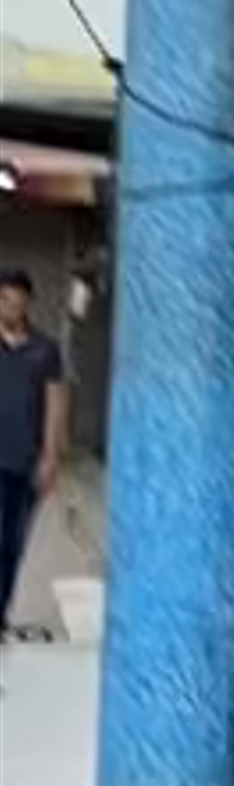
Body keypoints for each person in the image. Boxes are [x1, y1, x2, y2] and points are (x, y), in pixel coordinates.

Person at [0, 267, 70, 632]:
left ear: (28, 303)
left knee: (12, 542)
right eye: (5, 299)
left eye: (18, 300)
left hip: (23, 459)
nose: (11, 307)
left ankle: (1, 608)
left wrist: (50, 455)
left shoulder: (45, 350)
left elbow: (56, 402)